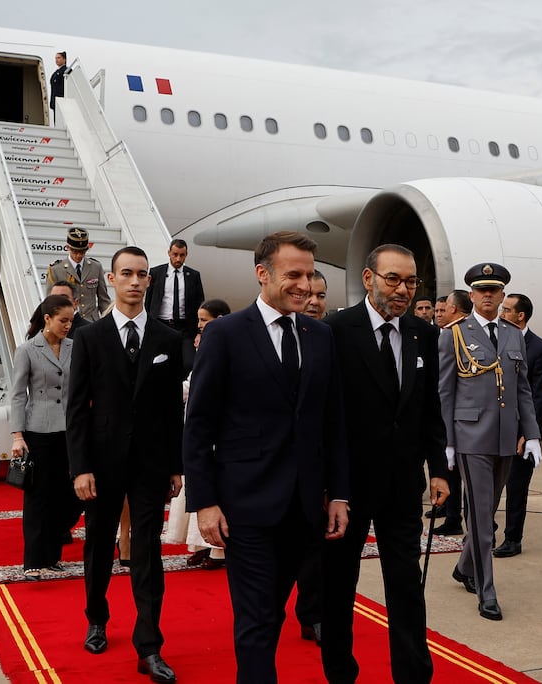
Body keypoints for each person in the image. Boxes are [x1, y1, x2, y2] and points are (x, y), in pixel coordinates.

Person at [183, 231, 350, 684]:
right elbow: (198, 425)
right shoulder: (224, 334)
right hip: (245, 509)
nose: (304, 284)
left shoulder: (320, 336)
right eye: (293, 274)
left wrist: (339, 495)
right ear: (263, 274)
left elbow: (331, 423)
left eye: (310, 274)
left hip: (304, 509)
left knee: (272, 615)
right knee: (256, 620)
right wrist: (205, 502)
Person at [321, 244, 449, 684]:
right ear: (368, 278)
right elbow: (326, 415)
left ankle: (413, 674)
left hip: (401, 484)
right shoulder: (337, 330)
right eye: (393, 279)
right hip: (347, 488)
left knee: (406, 585)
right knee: (338, 585)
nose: (403, 290)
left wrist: (440, 470)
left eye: (411, 282)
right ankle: (341, 672)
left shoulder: (424, 334)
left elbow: (429, 408)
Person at [67, 246, 184, 683]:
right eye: (126, 274)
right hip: (101, 463)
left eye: (141, 274)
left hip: (151, 465)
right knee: (98, 543)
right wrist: (80, 468)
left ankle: (149, 646)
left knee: (147, 550)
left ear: (149, 281)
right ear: (111, 280)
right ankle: (97, 616)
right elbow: (76, 408)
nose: (134, 281)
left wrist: (175, 464)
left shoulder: (167, 340)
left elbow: (173, 408)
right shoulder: (90, 339)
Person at [440, 262, 541, 621]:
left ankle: (464, 567)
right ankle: (487, 591)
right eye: (481, 290)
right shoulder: (454, 334)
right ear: (471, 296)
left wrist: (532, 434)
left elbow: (523, 389)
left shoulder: (514, 334)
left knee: (488, 511)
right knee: (482, 518)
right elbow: (446, 392)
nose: (487, 296)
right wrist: (448, 442)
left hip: (504, 437)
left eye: (494, 291)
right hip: (470, 437)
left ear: (502, 296)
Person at [10, 294, 78, 580]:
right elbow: (16, 394)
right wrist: (17, 436)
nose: (68, 327)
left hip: (71, 431)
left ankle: (52, 555)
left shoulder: (76, 347)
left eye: (71, 321)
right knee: (39, 498)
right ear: (47, 318)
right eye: (63, 321)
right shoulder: (27, 349)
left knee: (68, 497)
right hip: (38, 431)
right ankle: (34, 560)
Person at [167, 298, 232, 571]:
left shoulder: (228, 345)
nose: (199, 325)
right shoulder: (204, 343)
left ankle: (218, 552)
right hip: (194, 429)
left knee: (214, 492)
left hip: (218, 436)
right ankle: (200, 545)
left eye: (204, 320)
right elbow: (191, 384)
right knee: (197, 489)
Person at [492, 293, 542, 559]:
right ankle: (485, 532)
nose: (501, 314)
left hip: (521, 433)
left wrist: (528, 434)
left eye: (506, 310)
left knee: (516, 488)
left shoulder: (539, 348)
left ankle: (512, 538)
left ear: (521, 316)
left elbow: (538, 396)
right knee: (489, 488)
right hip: (494, 429)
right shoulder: (497, 340)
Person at [295, 270, 327, 643]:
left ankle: (313, 613)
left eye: (321, 295)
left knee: (315, 548)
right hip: (277, 466)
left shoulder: (330, 340)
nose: (314, 302)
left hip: (319, 463)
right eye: (309, 295)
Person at [428, 288, 472, 535]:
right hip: (467, 421)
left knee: (459, 476)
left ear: (453, 309)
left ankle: (457, 518)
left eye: (444, 309)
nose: (440, 313)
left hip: (457, 420)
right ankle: (458, 518)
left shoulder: (450, 335)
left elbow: (444, 387)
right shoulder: (455, 334)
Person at [144, 238, 205, 371]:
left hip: (184, 328)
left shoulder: (193, 275)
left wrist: (199, 332)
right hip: (161, 324)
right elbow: (148, 302)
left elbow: (200, 304)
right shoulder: (156, 273)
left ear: (186, 255)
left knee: (189, 363)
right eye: (175, 254)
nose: (178, 259)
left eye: (182, 255)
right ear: (169, 253)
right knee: (159, 364)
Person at [45, 227, 110, 322]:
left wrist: (108, 321)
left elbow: (103, 299)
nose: (79, 255)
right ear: (68, 248)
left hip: (91, 322)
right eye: (75, 251)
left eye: (82, 252)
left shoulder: (96, 267)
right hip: (67, 322)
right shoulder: (56, 270)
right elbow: (50, 301)